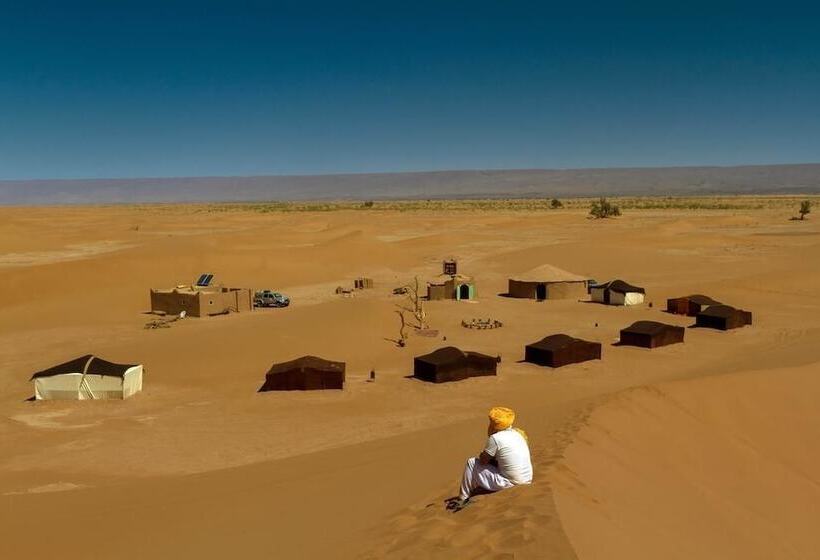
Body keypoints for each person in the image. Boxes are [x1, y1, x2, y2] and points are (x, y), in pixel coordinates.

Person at [449, 406, 533, 511]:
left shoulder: (496, 438)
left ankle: (463, 498)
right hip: (527, 479)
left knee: (471, 462)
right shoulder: (518, 433)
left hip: (512, 483)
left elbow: (484, 461)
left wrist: (483, 454)